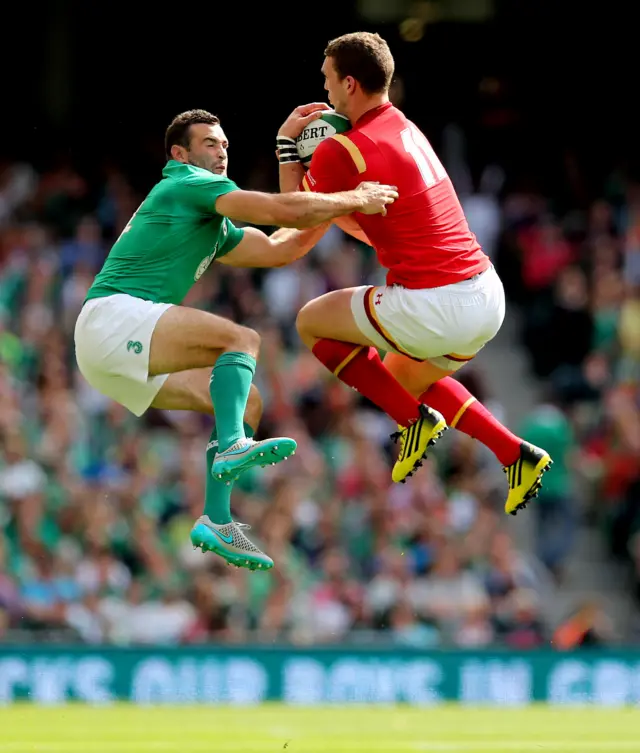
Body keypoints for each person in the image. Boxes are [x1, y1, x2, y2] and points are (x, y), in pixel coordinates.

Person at [74, 108, 397, 571]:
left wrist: (320, 187)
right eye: (210, 143)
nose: (222, 150)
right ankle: (230, 449)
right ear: (180, 154)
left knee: (247, 405)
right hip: (111, 320)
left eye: (225, 144)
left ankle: (217, 520)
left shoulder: (210, 219)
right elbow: (277, 210)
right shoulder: (187, 183)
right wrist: (354, 195)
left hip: (110, 350)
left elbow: (284, 245)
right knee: (240, 339)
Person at [276, 33, 552, 515]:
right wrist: (323, 196)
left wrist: (286, 153)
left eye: (326, 80)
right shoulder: (403, 127)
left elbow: (295, 228)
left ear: (349, 82)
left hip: (437, 303)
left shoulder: (342, 151)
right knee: (400, 378)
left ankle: (414, 422)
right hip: (484, 295)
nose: (324, 91)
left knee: (311, 322)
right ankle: (515, 452)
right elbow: (372, 227)